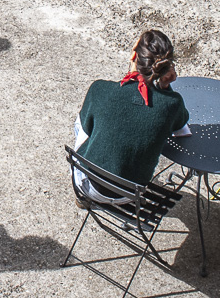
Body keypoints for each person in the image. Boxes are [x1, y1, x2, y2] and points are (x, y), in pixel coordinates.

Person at [74, 29, 188, 198]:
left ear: (134, 56)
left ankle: (83, 198)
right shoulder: (172, 104)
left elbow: (86, 129)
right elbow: (181, 124)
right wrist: (165, 87)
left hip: (89, 186)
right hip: (129, 196)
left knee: (83, 122)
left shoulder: (100, 89)